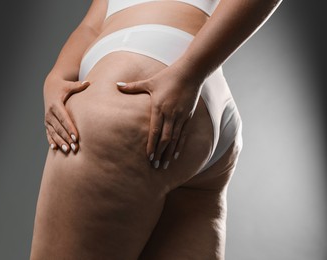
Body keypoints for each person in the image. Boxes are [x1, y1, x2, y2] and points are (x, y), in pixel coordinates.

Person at [30, 0, 281, 259]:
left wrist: (190, 72)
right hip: (208, 110)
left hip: (133, 89)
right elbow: (92, 23)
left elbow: (94, 25)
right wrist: (58, 75)